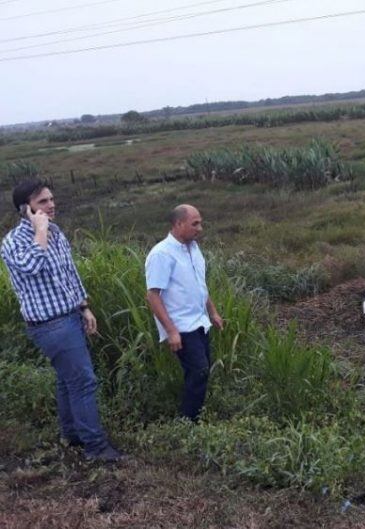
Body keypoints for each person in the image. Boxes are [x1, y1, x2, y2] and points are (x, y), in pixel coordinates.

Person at [1, 180, 122, 462]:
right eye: (43, 202)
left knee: (68, 381)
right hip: (49, 325)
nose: (51, 205)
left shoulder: (56, 232)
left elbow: (69, 274)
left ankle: (73, 435)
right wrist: (40, 231)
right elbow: (32, 267)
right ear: (25, 209)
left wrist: (84, 307)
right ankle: (96, 447)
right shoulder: (13, 242)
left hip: (70, 316)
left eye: (51, 199)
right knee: (84, 382)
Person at [145, 204, 223, 422]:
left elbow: (200, 285)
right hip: (181, 325)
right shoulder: (161, 254)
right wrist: (171, 331)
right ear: (178, 224)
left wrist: (213, 312)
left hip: (200, 322)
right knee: (199, 371)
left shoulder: (193, 248)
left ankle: (193, 417)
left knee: (201, 373)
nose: (200, 228)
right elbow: (152, 295)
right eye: (195, 223)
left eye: (200, 223)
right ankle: (187, 423)